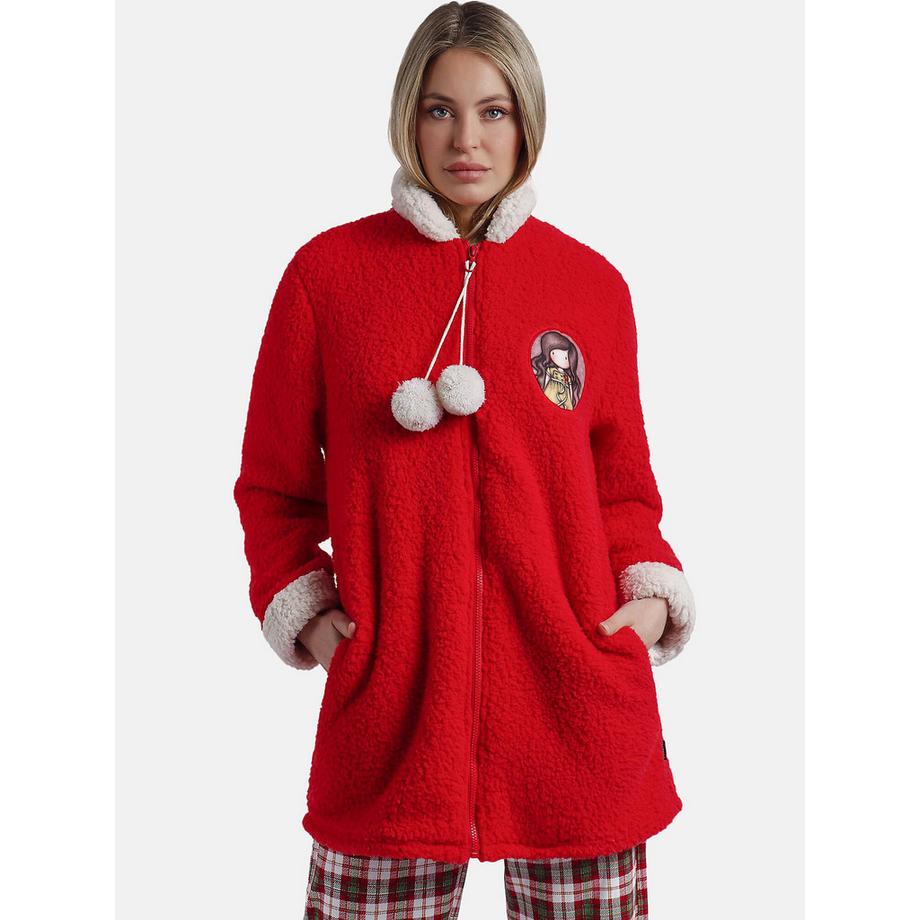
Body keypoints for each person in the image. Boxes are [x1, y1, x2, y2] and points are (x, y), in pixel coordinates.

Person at [233, 3, 697, 917]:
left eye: (494, 111)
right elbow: (273, 487)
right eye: (440, 109)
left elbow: (622, 492)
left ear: (527, 119)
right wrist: (314, 622)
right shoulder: (327, 278)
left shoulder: (592, 287)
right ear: (408, 115)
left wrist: (644, 609)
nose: (467, 140)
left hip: (577, 715)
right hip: (393, 723)